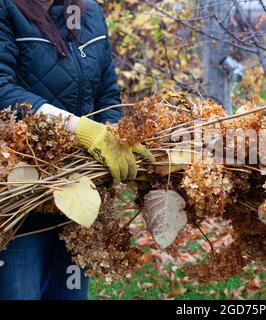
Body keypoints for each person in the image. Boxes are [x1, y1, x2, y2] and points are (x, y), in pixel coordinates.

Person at [0, 0, 152, 300]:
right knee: (20, 292)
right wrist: (79, 129)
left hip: (79, 189)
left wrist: (117, 138)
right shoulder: (6, 8)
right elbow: (2, 90)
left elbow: (106, 93)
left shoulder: (90, 12)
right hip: (20, 190)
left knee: (68, 294)